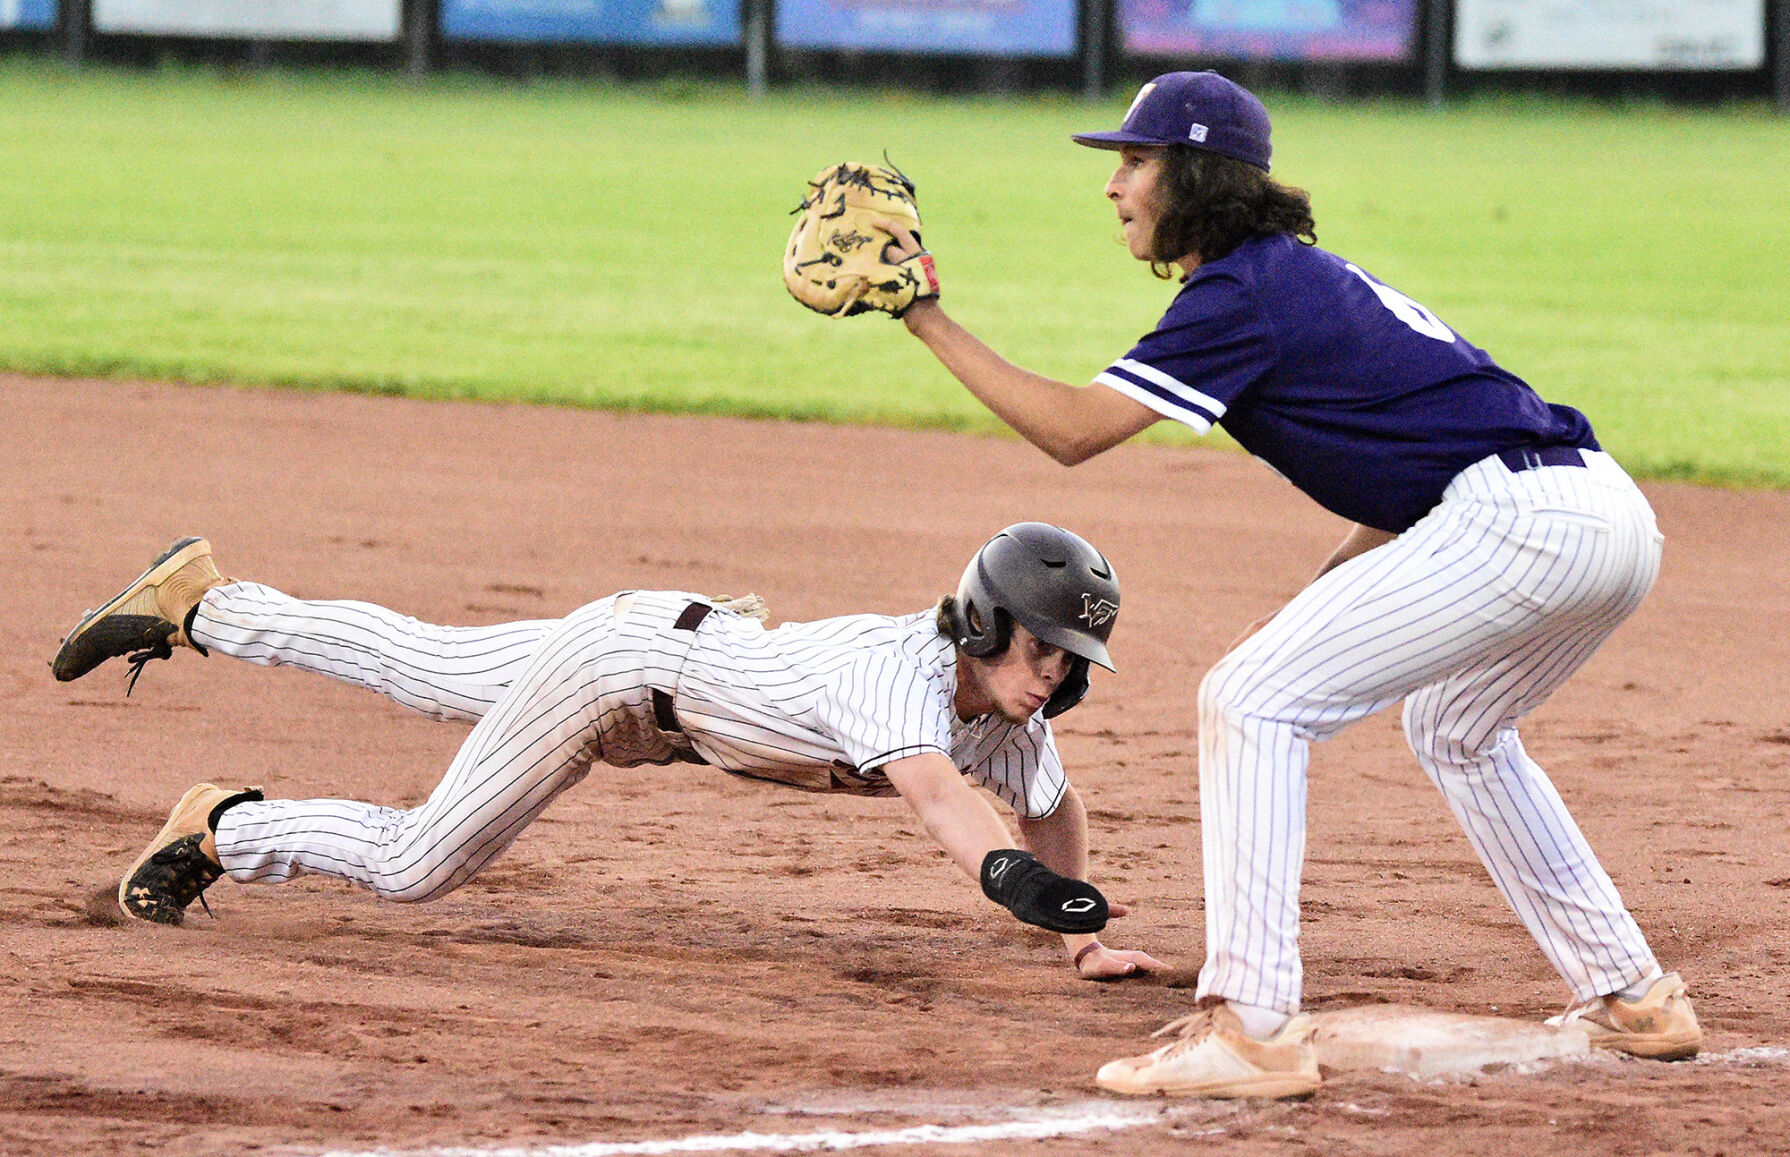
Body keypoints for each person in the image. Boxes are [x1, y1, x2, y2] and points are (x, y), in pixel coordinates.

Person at [887, 71, 1700, 1096]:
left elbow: (1071, 430)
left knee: (1250, 696)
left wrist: (923, 317)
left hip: (1521, 521)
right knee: (1453, 726)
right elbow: (1416, 480)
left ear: (1190, 175)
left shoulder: (1236, 293)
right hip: (1601, 515)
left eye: (1133, 162)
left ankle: (1252, 1024)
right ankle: (1630, 992)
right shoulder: (1287, 277)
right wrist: (1316, 604)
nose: (1113, 186)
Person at [52, 524, 1165, 982]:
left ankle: (203, 602)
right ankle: (223, 827)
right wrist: (1016, 887)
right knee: (415, 861)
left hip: (652, 653)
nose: (1055, 677)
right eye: (1043, 650)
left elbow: (1046, 804)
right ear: (980, 623)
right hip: (615, 677)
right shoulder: (900, 676)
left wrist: (1081, 928)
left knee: (418, 662)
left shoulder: (1009, 714)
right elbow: (940, 800)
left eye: (1072, 661)